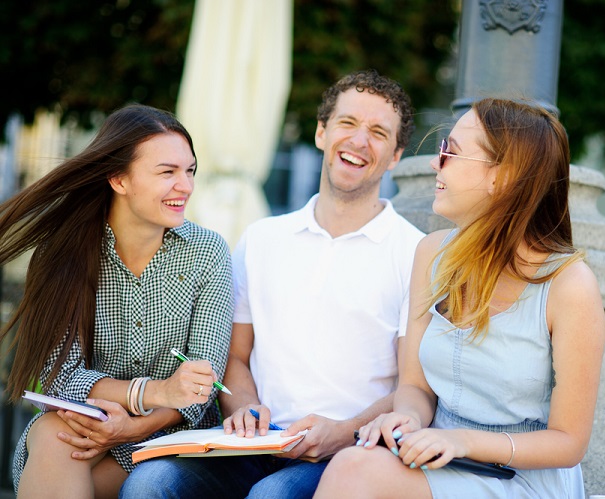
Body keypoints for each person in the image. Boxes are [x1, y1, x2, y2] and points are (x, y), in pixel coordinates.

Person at [119, 69, 424, 498]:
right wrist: (243, 408)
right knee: (150, 484)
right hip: (253, 442)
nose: (359, 141)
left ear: (395, 156)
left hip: (348, 452)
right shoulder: (262, 238)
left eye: (378, 132)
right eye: (348, 123)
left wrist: (343, 431)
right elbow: (236, 356)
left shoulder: (415, 252)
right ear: (321, 132)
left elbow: (413, 386)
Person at [314, 98, 605, 498]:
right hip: (438, 457)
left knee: (353, 473)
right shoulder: (433, 253)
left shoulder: (569, 285)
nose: (437, 164)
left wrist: (464, 442)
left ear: (501, 177)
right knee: (351, 466)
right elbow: (415, 388)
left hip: (522, 476)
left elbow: (569, 442)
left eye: (451, 152)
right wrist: (406, 421)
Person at [0, 104, 233, 499]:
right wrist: (155, 391)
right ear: (119, 179)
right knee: (52, 431)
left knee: (61, 462)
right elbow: (58, 377)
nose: (186, 186)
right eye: (167, 172)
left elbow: (201, 388)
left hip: (170, 437)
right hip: (88, 425)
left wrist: (137, 423)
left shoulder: (208, 253)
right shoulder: (62, 255)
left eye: (189, 170)